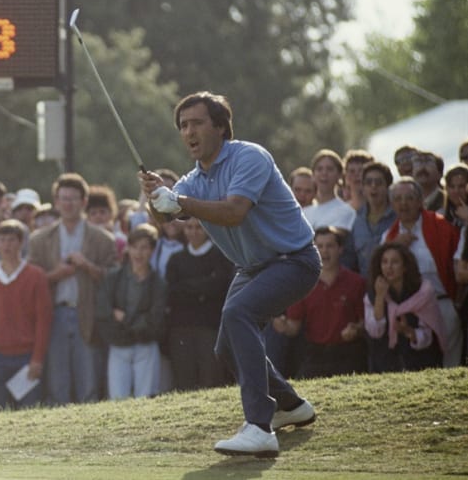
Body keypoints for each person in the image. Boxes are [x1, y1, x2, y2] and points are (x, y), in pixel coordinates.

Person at [141, 92, 320, 458]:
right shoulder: (194, 179)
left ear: (220, 128)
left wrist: (178, 202)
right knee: (226, 346)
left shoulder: (248, 157)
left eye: (197, 123)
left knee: (239, 315)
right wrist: (156, 198)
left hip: (294, 260)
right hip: (253, 267)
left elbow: (234, 212)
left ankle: (259, 426)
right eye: (183, 126)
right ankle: (290, 406)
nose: (189, 131)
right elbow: (166, 220)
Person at [28, 173, 116, 406]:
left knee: (88, 378)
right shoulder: (39, 239)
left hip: (87, 313)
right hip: (54, 313)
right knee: (58, 381)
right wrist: (55, 274)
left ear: (84, 202)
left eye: (73, 199)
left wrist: (87, 266)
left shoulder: (102, 239)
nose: (68, 204)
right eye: (63, 198)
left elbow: (113, 280)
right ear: (55, 201)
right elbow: (30, 283)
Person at [0, 219, 52, 410]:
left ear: (21, 243)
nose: (7, 245)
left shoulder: (35, 276)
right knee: (0, 410)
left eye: (12, 240)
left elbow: (43, 320)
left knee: (30, 410)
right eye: (2, 240)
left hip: (27, 356)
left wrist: (37, 358)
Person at [382, 177, 462, 367]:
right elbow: (381, 269)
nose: (404, 204)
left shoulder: (442, 227)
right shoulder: (389, 236)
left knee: (450, 363)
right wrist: (395, 247)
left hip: (442, 302)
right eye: (398, 199)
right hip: (408, 311)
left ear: (420, 201)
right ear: (392, 204)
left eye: (409, 198)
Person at [272, 227, 366, 378]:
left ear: (340, 249)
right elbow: (293, 327)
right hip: (315, 355)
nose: (325, 251)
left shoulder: (356, 282)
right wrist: (282, 325)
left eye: (330, 246)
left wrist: (356, 329)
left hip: (348, 354)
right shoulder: (304, 284)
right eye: (319, 246)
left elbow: (366, 323)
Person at [94, 224, 167, 400]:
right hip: (119, 344)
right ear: (128, 248)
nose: (138, 253)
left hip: (145, 344)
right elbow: (103, 309)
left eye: (144, 248)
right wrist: (117, 322)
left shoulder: (158, 283)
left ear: (152, 250)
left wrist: (126, 319)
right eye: (134, 247)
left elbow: (155, 318)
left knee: (146, 397)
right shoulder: (114, 277)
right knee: (118, 398)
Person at [165, 217, 234, 391]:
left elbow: (220, 285)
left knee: (210, 377)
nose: (193, 232)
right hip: (181, 327)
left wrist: (189, 286)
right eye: (189, 227)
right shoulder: (176, 259)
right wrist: (204, 287)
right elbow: (173, 291)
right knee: (184, 379)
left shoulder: (220, 255)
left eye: (198, 228)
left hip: (210, 326)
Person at [364, 243, 445, 372]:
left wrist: (409, 332)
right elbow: (375, 331)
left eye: (395, 262)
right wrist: (380, 297)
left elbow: (429, 335)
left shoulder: (423, 292)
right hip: (385, 362)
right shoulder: (372, 294)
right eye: (384, 262)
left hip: (421, 362)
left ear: (405, 267)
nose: (389, 267)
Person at [343, 162, 396, 276]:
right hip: (366, 288)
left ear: (388, 186)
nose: (373, 186)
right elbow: (349, 260)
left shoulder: (398, 218)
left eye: (378, 182)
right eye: (368, 182)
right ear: (362, 187)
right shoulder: (355, 220)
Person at [302, 149, 356, 232]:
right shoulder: (304, 213)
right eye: (319, 169)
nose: (324, 173)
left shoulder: (347, 212)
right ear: (313, 175)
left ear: (339, 175)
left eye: (330, 169)